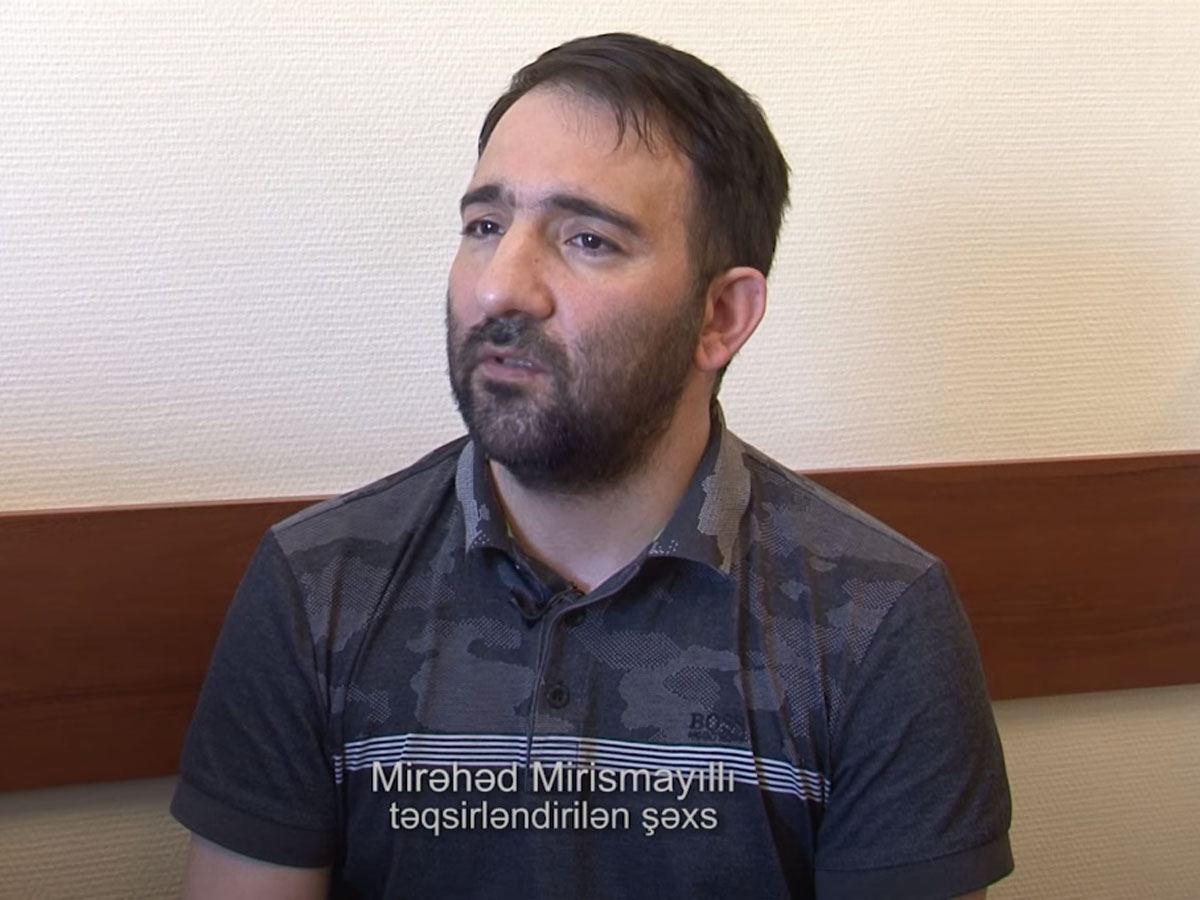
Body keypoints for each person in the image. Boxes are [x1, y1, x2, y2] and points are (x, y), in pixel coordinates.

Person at [172, 32, 1012, 900]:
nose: (500, 286)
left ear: (721, 316)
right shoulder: (318, 584)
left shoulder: (875, 620)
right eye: (486, 226)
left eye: (587, 240)